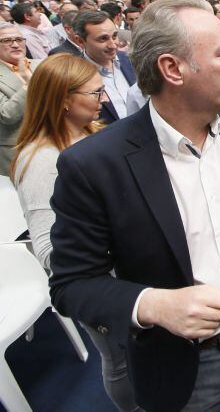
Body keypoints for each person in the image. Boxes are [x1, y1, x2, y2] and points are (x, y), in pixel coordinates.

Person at [48, 0, 220, 411]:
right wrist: (154, 305)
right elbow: (71, 284)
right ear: (172, 69)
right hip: (179, 360)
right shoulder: (92, 165)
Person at [9, 55, 140, 410]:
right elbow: (49, 250)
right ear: (62, 98)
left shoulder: (91, 133)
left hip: (124, 273)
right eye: (95, 94)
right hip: (98, 283)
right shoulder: (41, 162)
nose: (105, 101)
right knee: (121, 360)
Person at [72, 10, 136, 124]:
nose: (112, 45)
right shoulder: (73, 76)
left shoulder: (132, 60)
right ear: (80, 41)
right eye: (103, 39)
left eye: (115, 36)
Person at [0, 22, 37, 175]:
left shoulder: (41, 65)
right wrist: (29, 85)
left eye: (19, 39)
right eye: (7, 41)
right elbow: (6, 115)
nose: (15, 45)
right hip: (18, 151)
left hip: (53, 142)